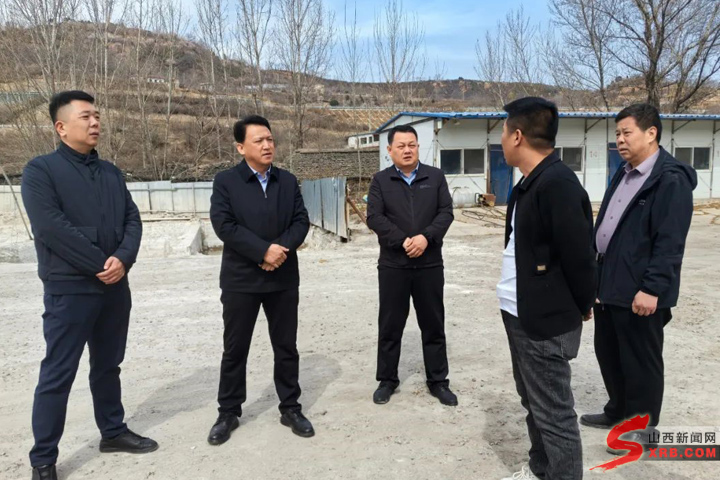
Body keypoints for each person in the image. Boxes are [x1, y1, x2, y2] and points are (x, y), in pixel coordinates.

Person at [21, 90, 157, 480]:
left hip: (114, 288)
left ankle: (112, 432)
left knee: (108, 365)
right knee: (58, 372)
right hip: (70, 289)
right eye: (85, 116)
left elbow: (132, 219)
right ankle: (43, 459)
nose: (95, 122)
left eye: (97, 115)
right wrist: (102, 264)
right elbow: (51, 228)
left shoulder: (111, 172)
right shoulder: (41, 171)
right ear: (61, 127)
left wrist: (123, 259)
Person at [580, 104, 696, 454]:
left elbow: (670, 243)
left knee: (640, 361)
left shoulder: (670, 179)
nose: (619, 140)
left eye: (626, 133)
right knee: (610, 353)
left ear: (651, 133)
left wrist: (652, 289)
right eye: (617, 133)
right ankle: (618, 410)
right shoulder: (625, 172)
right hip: (610, 282)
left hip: (640, 290)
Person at [496, 97, 596, 480]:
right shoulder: (527, 184)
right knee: (532, 402)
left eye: (504, 131)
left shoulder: (557, 184)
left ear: (518, 136)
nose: (501, 139)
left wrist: (583, 303)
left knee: (554, 413)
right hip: (519, 312)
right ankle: (541, 469)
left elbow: (581, 257)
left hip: (544, 321)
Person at [207, 115, 312, 444]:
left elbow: (301, 221)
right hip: (241, 280)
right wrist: (262, 251)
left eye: (270, 139)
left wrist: (278, 251)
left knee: (286, 346)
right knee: (235, 348)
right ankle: (228, 411)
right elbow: (224, 225)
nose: (267, 145)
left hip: (283, 277)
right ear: (241, 147)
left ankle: (290, 407)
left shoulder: (287, 180)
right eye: (259, 141)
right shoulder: (226, 182)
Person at [366, 124, 457, 407]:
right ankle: (387, 380)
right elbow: (374, 217)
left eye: (412, 145)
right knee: (390, 324)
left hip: (430, 264)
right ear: (389, 150)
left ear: (418, 147)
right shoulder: (381, 180)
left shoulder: (435, 177)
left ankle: (438, 381)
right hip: (394, 265)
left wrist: (425, 238)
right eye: (401, 146)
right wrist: (403, 241)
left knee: (433, 324)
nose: (407, 150)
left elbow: (446, 213)